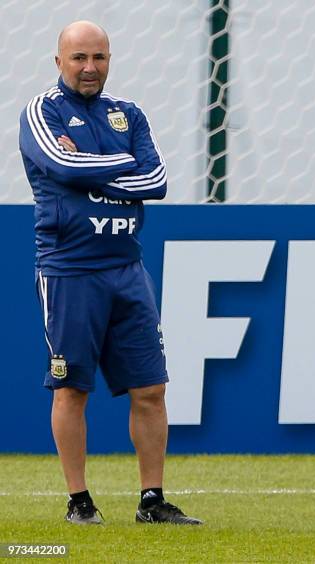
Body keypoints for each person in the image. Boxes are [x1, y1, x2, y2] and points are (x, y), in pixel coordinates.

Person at [19, 21, 202, 526]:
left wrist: (94, 165)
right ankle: (79, 502)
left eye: (99, 57)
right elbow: (60, 164)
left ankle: (152, 501)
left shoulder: (128, 114)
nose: (89, 67)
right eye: (79, 58)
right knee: (71, 389)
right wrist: (121, 170)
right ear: (59, 62)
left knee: (151, 390)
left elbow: (157, 179)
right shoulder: (42, 111)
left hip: (127, 270)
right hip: (70, 271)